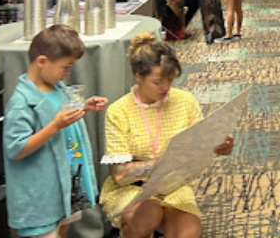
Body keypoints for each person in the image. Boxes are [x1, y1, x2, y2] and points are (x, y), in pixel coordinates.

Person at [99, 33, 234, 237]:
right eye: (157, 82)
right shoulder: (119, 111)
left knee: (187, 231)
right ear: (138, 76)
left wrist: (218, 146)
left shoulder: (185, 101)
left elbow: (198, 146)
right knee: (147, 214)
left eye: (170, 80)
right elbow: (120, 175)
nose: (165, 88)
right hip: (133, 187)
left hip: (173, 183)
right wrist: (161, 162)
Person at [3, 25, 108, 238]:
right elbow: (16, 148)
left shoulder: (56, 87)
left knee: (62, 228)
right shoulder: (21, 104)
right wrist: (54, 126)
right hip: (40, 195)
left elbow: (61, 116)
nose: (67, 73)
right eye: (65, 67)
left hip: (64, 187)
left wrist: (85, 107)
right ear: (41, 61)